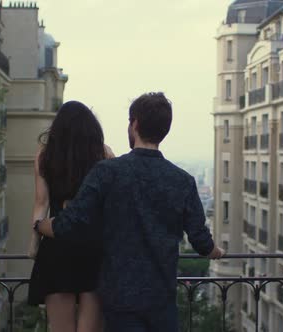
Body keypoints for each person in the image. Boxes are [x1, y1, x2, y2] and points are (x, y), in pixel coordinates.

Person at [34, 92, 225, 332]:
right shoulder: (182, 180)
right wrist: (216, 251)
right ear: (165, 129)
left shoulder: (108, 172)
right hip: (161, 297)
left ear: (134, 124)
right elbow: (200, 239)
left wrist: (40, 226)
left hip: (119, 295)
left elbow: (72, 221)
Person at [28, 101, 114, 332]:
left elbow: (41, 203)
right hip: (94, 247)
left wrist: (34, 244)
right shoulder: (104, 154)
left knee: (61, 328)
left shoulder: (45, 156)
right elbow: (111, 205)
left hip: (58, 245)